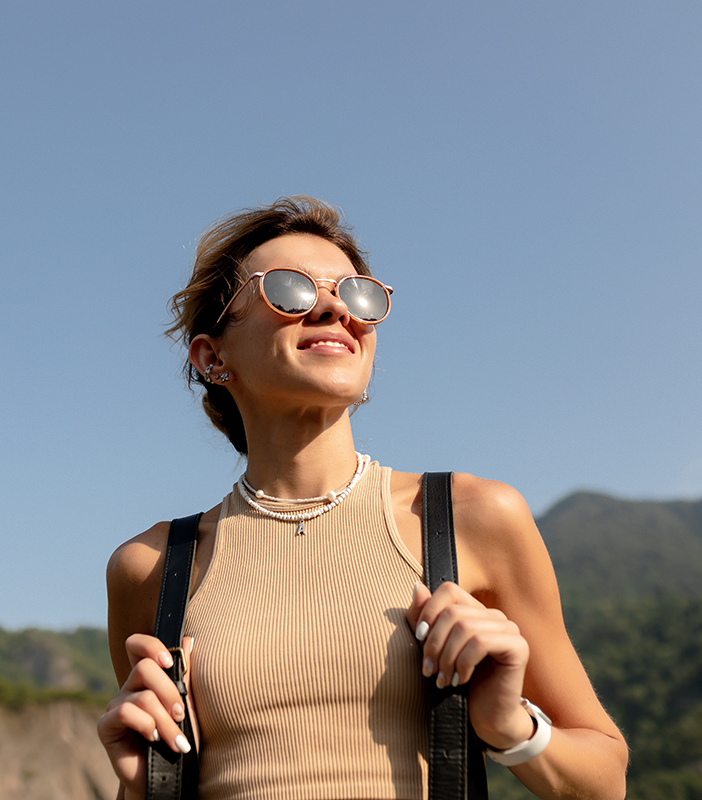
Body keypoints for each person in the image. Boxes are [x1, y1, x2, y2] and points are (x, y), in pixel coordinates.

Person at [96, 197, 627, 800]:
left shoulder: (469, 518)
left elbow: (604, 780)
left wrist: (511, 727)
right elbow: (162, 771)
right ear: (212, 356)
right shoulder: (152, 566)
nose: (334, 309)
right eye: (289, 291)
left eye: (357, 295)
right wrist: (146, 791)